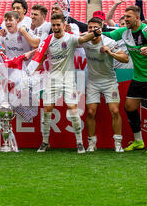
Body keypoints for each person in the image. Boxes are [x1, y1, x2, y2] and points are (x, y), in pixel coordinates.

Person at [37, 13, 103, 154]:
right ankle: (45, 142)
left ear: (64, 25)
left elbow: (83, 38)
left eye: (58, 25)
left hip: (68, 78)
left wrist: (95, 33)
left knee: (73, 109)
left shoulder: (70, 38)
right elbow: (40, 56)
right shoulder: (48, 40)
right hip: (52, 78)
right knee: (47, 110)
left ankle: (79, 143)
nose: (55, 27)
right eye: (53, 25)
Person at [103, 6, 147, 154]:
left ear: (137, 18)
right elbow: (107, 34)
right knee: (129, 107)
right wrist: (93, 32)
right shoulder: (124, 32)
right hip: (138, 75)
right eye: (124, 17)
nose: (125, 19)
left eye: (128, 17)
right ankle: (138, 141)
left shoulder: (146, 30)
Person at [80, 17, 129, 152]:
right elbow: (71, 41)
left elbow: (125, 58)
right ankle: (91, 143)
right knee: (90, 112)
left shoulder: (109, 42)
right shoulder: (84, 40)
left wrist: (110, 52)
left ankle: (118, 143)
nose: (92, 30)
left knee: (114, 110)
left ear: (101, 29)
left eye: (95, 27)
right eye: (89, 27)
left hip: (109, 81)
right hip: (93, 82)